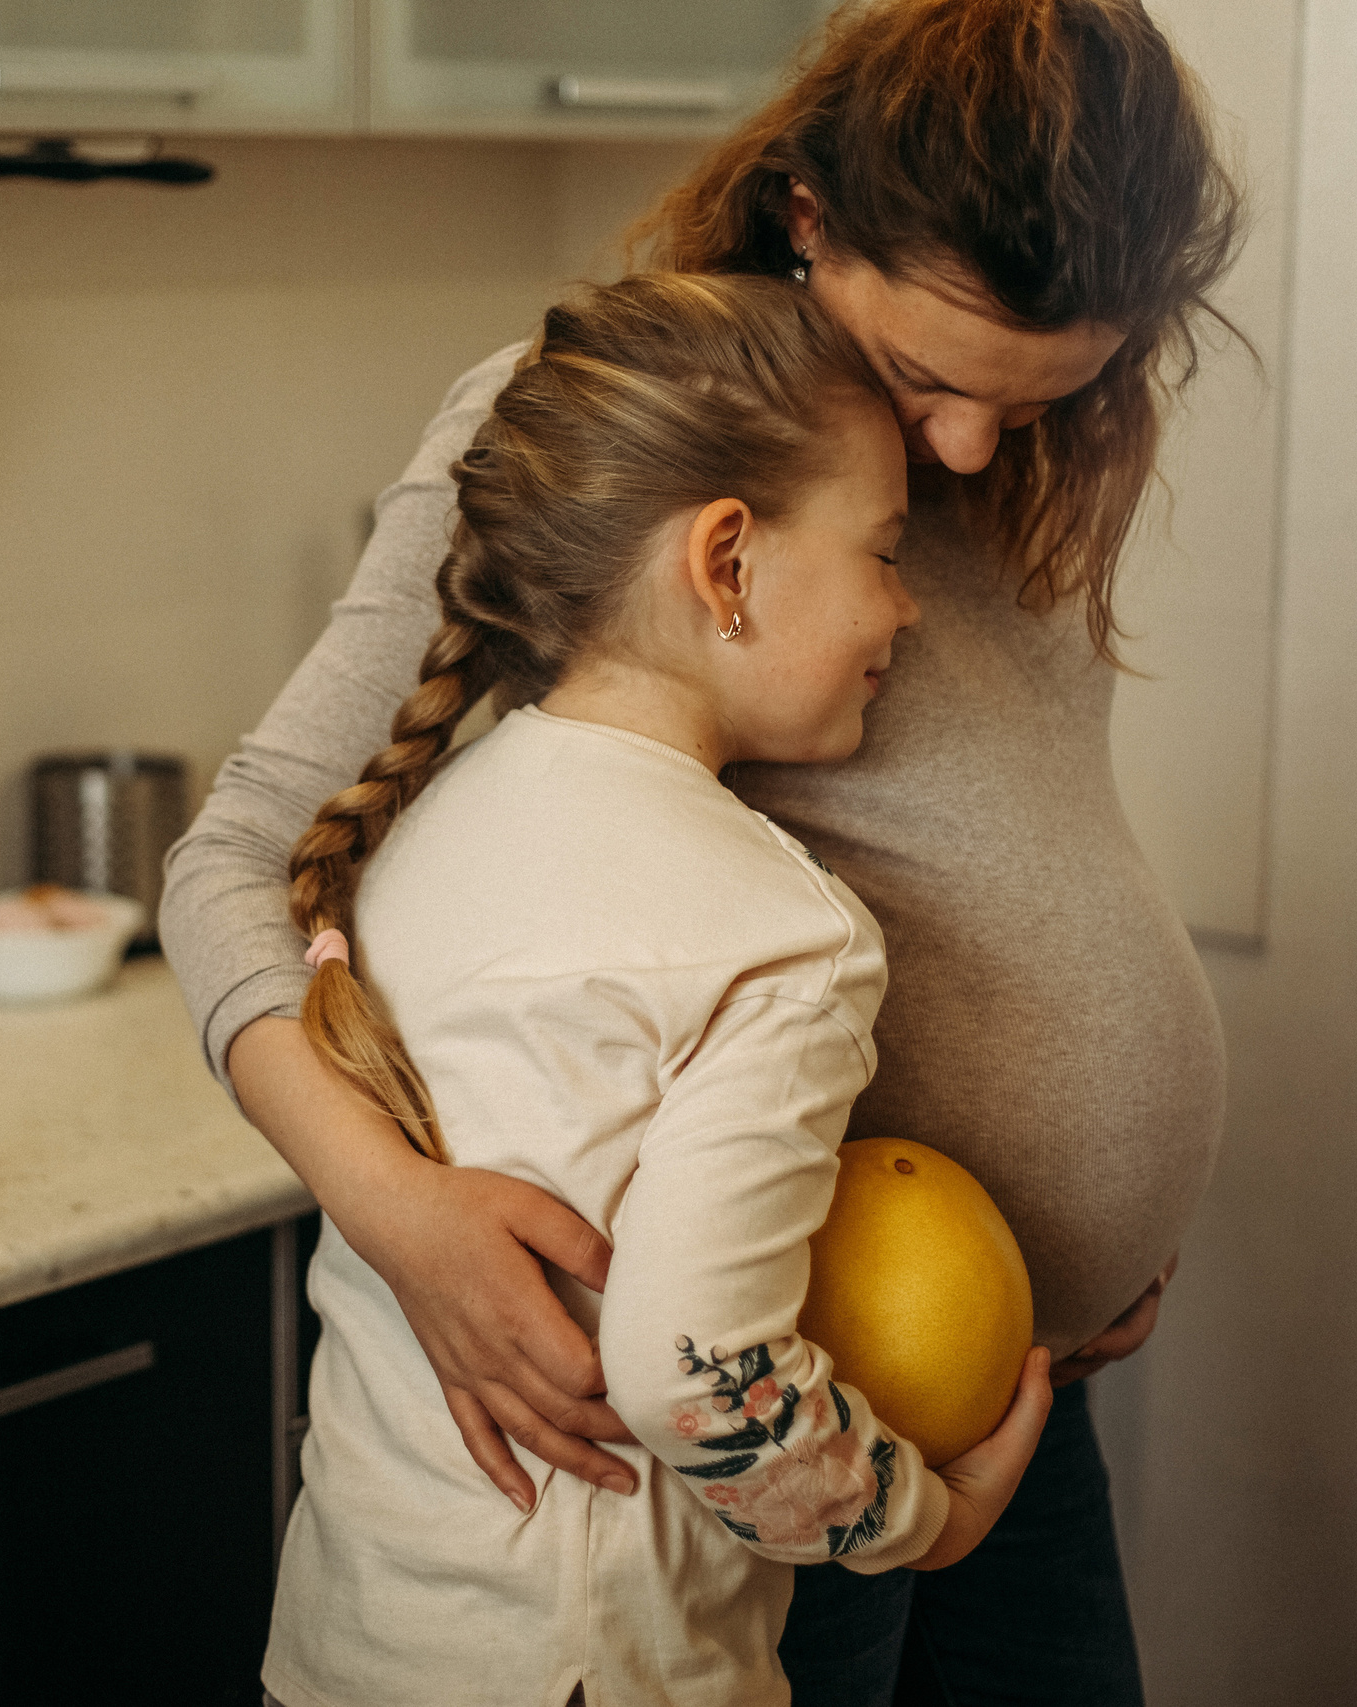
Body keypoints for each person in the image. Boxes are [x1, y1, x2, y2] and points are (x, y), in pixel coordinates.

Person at [164, 1, 1243, 1701]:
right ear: (810, 222)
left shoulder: (1015, 456)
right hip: (769, 1439)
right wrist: (394, 1214)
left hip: (1012, 1381)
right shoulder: (628, 438)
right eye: (934, 380)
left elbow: (1006, 843)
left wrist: (1097, 1195)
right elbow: (234, 857)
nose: (971, 447)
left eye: (1043, 394)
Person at [260, 271, 1054, 1707]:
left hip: (352, 1650)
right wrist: (926, 1522)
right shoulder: (778, 932)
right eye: (882, 552)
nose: (908, 607)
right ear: (727, 565)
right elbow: (699, 1371)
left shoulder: (423, 827)